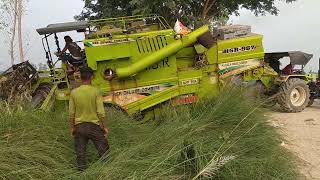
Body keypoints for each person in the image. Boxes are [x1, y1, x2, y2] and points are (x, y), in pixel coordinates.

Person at [69, 67, 109, 171]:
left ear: (81, 78)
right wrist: (104, 127)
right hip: (94, 127)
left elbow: (71, 113)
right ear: (91, 77)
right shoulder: (96, 91)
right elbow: (101, 112)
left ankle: (82, 174)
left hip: (79, 127)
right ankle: (107, 172)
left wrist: (72, 128)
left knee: (80, 154)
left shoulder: (74, 92)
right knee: (104, 152)